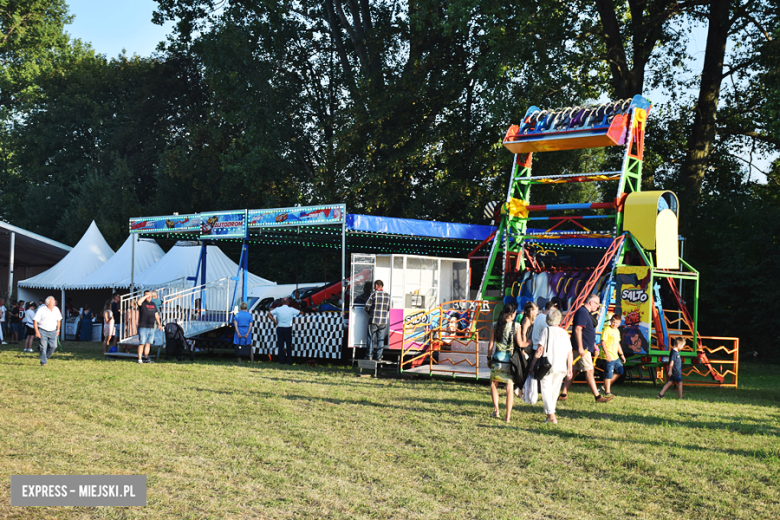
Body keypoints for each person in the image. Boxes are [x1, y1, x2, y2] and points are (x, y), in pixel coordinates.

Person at [559, 294, 612, 403]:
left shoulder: (586, 313)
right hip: (583, 348)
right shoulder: (582, 312)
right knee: (589, 371)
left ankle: (563, 394)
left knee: (575, 371)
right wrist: (580, 347)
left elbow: (587, 331)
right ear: (591, 302)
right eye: (597, 303)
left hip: (586, 347)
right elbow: (578, 330)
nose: (598, 306)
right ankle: (598, 397)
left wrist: (593, 345)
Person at [530, 308, 573, 424]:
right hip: (561, 366)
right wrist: (570, 368)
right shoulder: (564, 332)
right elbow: (570, 352)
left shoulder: (546, 331)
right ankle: (549, 415)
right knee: (554, 391)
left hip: (547, 365)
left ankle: (551, 415)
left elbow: (540, 349)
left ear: (548, 319)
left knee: (546, 390)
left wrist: (533, 364)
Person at [487, 303, 522, 423]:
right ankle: (507, 416)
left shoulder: (495, 325)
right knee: (509, 387)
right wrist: (528, 342)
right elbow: (520, 343)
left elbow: (491, 345)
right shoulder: (516, 326)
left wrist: (488, 358)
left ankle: (496, 411)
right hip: (510, 361)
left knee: (493, 384)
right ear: (512, 315)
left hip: (497, 359)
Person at [512, 302, 538, 396]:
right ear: (531, 311)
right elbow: (523, 332)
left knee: (526, 368)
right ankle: (518, 387)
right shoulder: (526, 320)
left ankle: (520, 388)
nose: (537, 312)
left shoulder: (529, 319)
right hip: (526, 346)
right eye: (535, 311)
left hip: (527, 345)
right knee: (525, 368)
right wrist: (524, 346)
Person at [268, 297, 300, 365]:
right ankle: (289, 361)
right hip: (288, 328)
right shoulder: (291, 309)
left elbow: (269, 314)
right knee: (289, 345)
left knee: (280, 345)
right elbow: (300, 313)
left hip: (280, 327)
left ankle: (281, 361)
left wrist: (274, 320)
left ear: (281, 303)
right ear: (288, 303)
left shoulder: (278, 309)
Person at [364, 280, 391, 361]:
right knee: (380, 339)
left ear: (376, 286)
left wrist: (370, 312)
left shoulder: (373, 294)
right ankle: (378, 357)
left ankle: (369, 355)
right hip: (383, 321)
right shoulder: (387, 295)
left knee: (371, 338)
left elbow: (366, 306)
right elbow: (389, 308)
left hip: (373, 320)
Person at [601, 314, 626, 397]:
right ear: (611, 321)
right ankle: (607, 392)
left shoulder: (617, 331)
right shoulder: (607, 330)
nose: (615, 324)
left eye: (617, 323)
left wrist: (622, 354)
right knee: (608, 373)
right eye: (613, 322)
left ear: (619, 323)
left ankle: (605, 386)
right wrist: (607, 354)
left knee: (620, 371)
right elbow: (603, 342)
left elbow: (618, 343)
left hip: (615, 356)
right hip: (608, 356)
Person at [33, 296, 62, 366]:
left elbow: (59, 320)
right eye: (52, 303)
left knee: (54, 346)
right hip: (43, 330)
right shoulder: (41, 310)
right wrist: (37, 331)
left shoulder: (56, 309)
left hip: (53, 330)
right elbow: (35, 321)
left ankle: (45, 357)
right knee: (43, 347)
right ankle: (43, 362)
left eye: (54, 303)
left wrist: (58, 330)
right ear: (47, 304)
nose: (54, 305)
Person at [136, 290, 163, 364]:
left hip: (151, 326)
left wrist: (159, 324)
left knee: (148, 343)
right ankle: (139, 359)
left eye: (149, 295)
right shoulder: (143, 303)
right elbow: (138, 302)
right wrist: (145, 296)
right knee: (142, 343)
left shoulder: (153, 304)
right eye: (147, 295)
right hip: (143, 326)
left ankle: (146, 358)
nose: (148, 297)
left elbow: (156, 315)